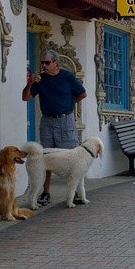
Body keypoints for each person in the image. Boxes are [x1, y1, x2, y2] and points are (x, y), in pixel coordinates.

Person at [21, 49, 88, 206]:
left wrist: (69, 105)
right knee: (46, 156)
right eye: (42, 62)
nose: (44, 65)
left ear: (55, 63)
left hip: (65, 120)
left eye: (47, 62)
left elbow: (83, 94)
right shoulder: (40, 79)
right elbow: (26, 97)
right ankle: (46, 192)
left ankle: (78, 192)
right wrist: (30, 82)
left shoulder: (67, 77)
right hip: (47, 121)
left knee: (73, 156)